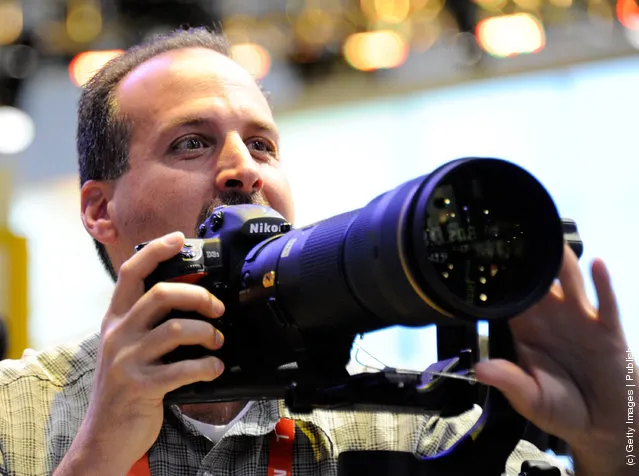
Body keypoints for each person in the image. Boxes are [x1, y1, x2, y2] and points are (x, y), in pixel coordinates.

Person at [0, 27, 634, 476]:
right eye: (191, 143)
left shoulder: (401, 420)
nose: (242, 170)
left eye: (263, 145)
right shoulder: (14, 415)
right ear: (99, 209)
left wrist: (618, 436)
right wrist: (97, 458)